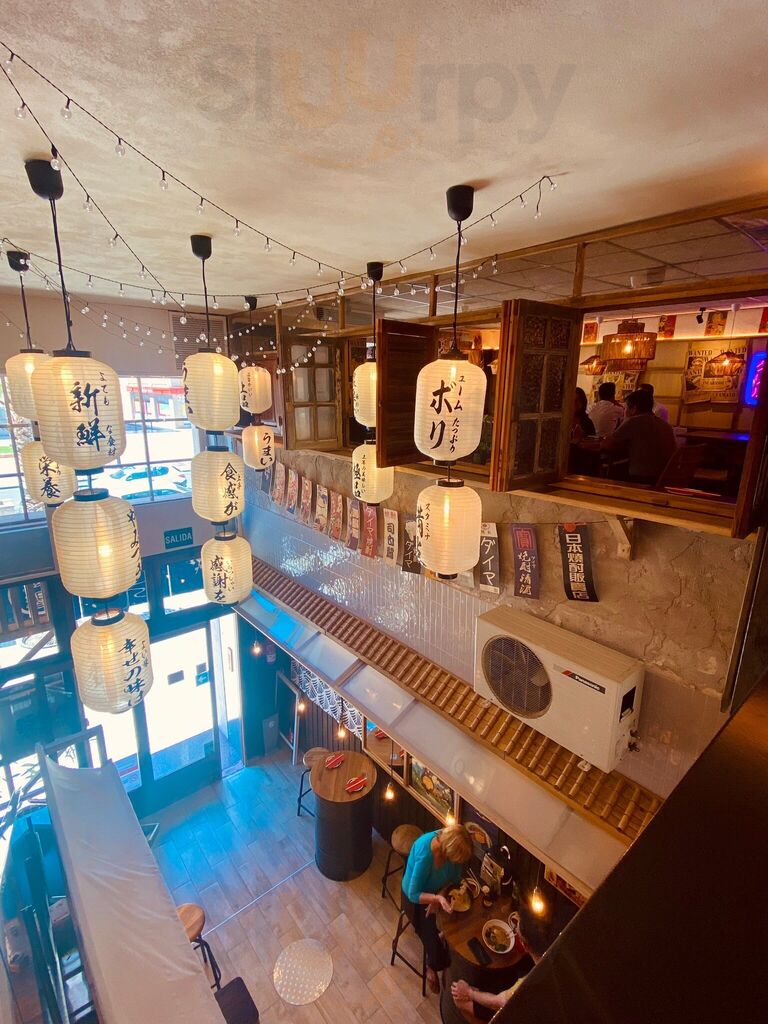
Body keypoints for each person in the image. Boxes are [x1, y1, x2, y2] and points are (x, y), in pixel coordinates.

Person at [401, 824, 473, 993]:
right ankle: (431, 966)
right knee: (436, 950)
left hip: (437, 892)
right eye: (456, 859)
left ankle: (441, 937)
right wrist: (436, 899)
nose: (457, 863)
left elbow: (454, 878)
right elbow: (413, 893)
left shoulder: (451, 852)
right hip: (415, 901)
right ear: (448, 849)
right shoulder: (426, 852)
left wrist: (440, 894)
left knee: (460, 921)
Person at [450, 902, 551, 1022]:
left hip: (521, 1016)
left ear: (524, 945)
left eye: (518, 934)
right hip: (539, 1005)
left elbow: (499, 1002)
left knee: (461, 999)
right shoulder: (552, 950)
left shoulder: (527, 983)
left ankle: (470, 1010)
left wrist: (469, 992)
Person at [602, 388, 677, 484]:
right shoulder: (666, 425)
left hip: (642, 478)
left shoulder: (634, 422)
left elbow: (606, 445)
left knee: (612, 472)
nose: (625, 411)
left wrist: (625, 420)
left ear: (634, 408)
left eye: (626, 408)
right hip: (665, 478)